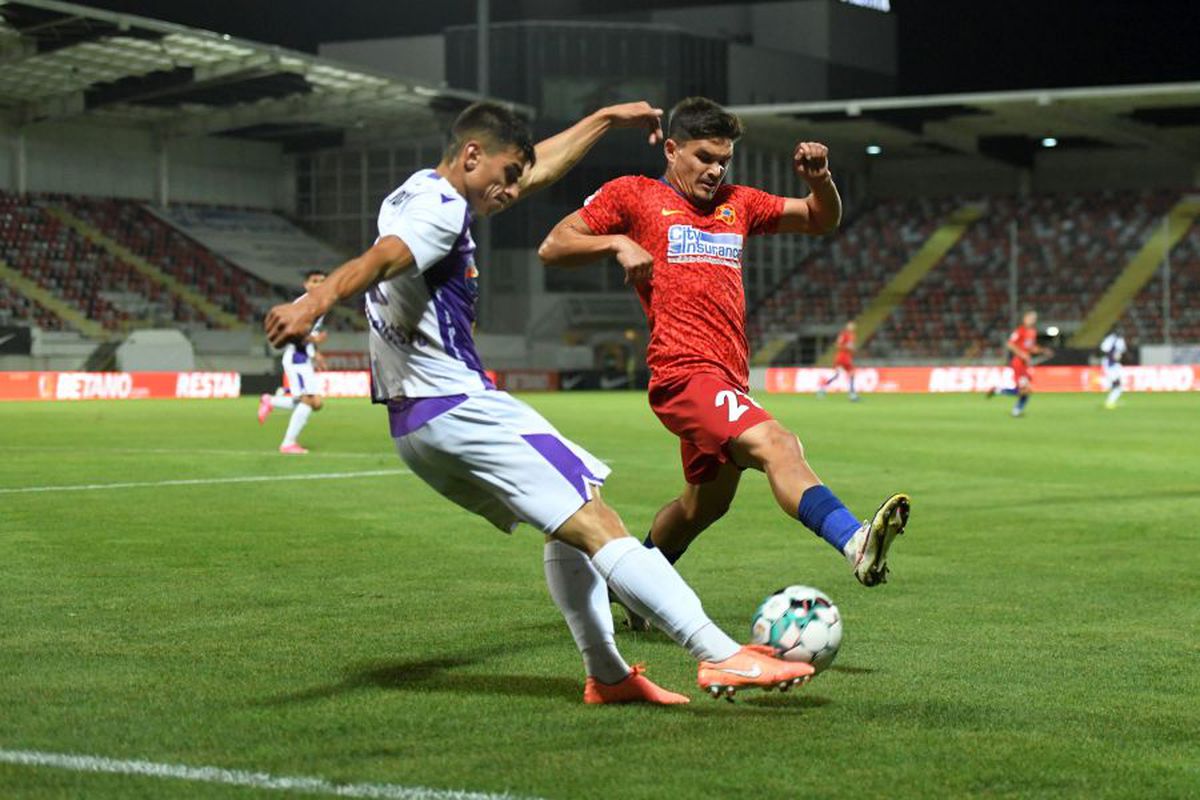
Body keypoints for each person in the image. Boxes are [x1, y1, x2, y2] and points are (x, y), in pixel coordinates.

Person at [265, 100, 815, 705]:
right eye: (504, 176)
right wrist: (310, 305)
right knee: (599, 524)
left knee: (572, 517)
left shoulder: (413, 193)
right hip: (458, 407)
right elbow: (380, 260)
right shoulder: (440, 214)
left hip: (415, 423)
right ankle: (720, 654)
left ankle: (608, 676)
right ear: (472, 156)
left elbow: (535, 169)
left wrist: (604, 120)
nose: (511, 191)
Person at [538, 97, 910, 633]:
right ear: (671, 149)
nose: (716, 170)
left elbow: (819, 218)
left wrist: (821, 179)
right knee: (779, 445)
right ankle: (855, 542)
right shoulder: (635, 194)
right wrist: (618, 243)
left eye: (724, 160)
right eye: (705, 156)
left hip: (728, 377)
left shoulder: (739, 203)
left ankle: (628, 587)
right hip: (683, 373)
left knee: (701, 508)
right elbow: (554, 244)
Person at [257, 270, 328, 454]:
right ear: (306, 284)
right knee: (307, 400)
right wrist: (314, 341)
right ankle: (288, 443)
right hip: (296, 358)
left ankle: (270, 401)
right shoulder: (303, 305)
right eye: (315, 281)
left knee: (317, 403)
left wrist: (314, 353)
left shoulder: (321, 304)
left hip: (304, 357)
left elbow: (310, 332)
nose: (319, 284)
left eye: (322, 281)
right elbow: (293, 332)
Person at [988, 309, 1043, 417]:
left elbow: (1030, 347)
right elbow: (1010, 344)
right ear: (1025, 319)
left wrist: (1042, 350)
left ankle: (1000, 392)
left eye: (1034, 319)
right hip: (1018, 364)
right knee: (1025, 390)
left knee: (1024, 390)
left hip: (1025, 365)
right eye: (1030, 318)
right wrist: (1022, 354)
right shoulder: (1020, 331)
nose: (1032, 320)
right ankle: (1014, 409)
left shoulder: (1032, 332)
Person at [817, 320, 859, 401]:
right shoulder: (844, 334)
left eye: (853, 325)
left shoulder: (853, 335)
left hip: (847, 358)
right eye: (850, 325)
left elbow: (851, 346)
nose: (852, 327)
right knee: (838, 375)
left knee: (848, 374)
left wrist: (852, 350)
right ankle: (852, 394)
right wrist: (847, 347)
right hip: (841, 357)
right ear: (847, 326)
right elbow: (838, 344)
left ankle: (852, 394)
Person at [1099, 327, 1127, 409]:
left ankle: (1111, 401)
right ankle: (1109, 402)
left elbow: (1120, 352)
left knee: (1118, 385)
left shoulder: (1118, 340)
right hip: (1110, 365)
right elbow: (1104, 350)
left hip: (1115, 365)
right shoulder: (1111, 339)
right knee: (1117, 386)